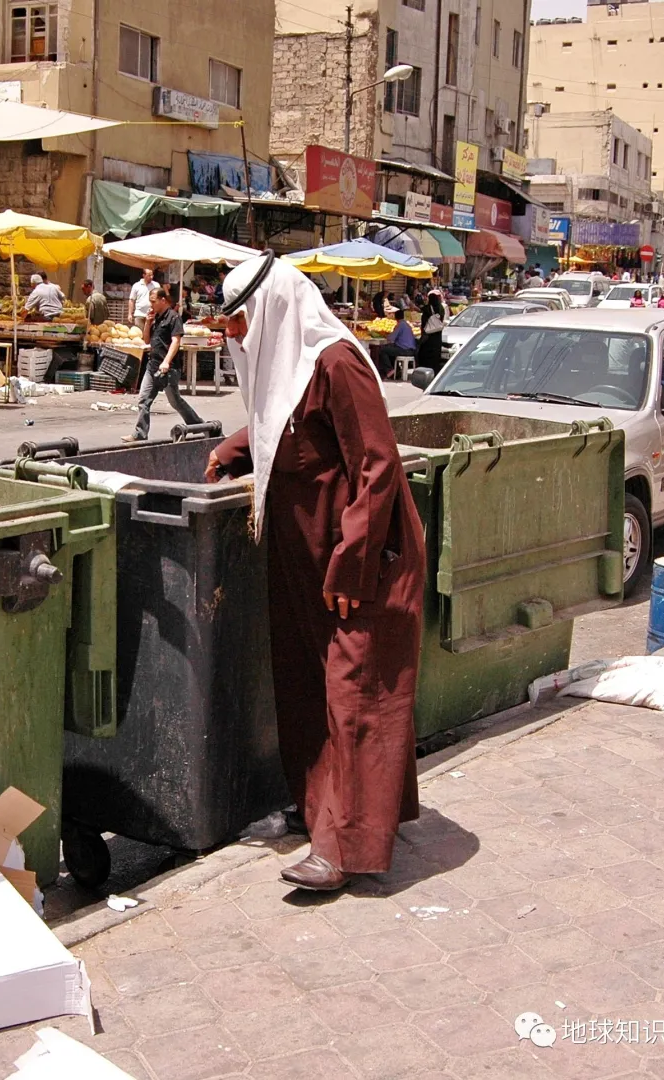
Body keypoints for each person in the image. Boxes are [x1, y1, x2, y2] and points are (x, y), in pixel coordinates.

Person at [203, 253, 425, 892]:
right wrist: (233, 449)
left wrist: (352, 564)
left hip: (358, 563)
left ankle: (343, 848)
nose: (232, 335)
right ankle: (321, 813)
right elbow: (285, 424)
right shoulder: (292, 367)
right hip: (305, 562)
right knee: (305, 687)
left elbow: (378, 466)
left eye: (239, 322)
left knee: (354, 695)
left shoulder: (337, 361)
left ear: (270, 311)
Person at [124, 286, 203, 443]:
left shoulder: (173, 317)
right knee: (143, 400)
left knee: (175, 401)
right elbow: (147, 340)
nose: (150, 305)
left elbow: (176, 341)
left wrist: (166, 361)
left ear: (163, 300)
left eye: (153, 301)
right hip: (153, 365)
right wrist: (148, 323)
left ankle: (198, 425)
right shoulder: (156, 317)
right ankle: (140, 433)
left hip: (168, 368)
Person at [378, 308, 417, 379]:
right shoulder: (406, 324)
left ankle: (389, 370)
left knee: (383, 350)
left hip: (405, 350)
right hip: (410, 349)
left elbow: (391, 338)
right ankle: (397, 370)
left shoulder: (400, 325)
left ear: (395, 317)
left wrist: (385, 335)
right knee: (390, 349)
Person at [417, 289, 446, 373]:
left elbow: (424, 321)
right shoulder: (441, 308)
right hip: (437, 334)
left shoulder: (427, 308)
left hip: (428, 335)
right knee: (435, 354)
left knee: (425, 353)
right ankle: (435, 370)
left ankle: (425, 370)